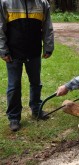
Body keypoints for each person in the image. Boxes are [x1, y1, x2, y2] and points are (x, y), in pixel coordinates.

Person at [0, 0, 54, 132]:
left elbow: (47, 27)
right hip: (13, 53)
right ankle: (14, 117)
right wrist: (3, 50)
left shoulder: (42, 3)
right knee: (14, 86)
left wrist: (48, 46)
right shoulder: (6, 3)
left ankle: (36, 109)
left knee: (36, 82)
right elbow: (0, 28)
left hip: (34, 51)